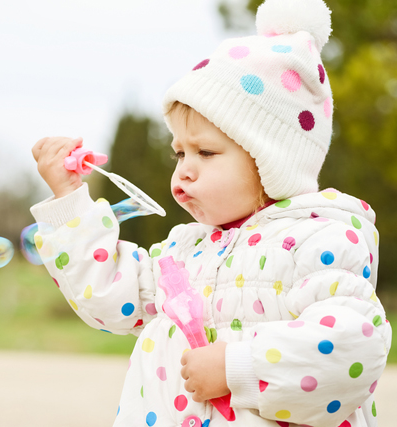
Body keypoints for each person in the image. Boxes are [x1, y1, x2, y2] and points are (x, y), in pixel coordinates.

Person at [29, 0, 391, 425]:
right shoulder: (184, 251)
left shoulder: (320, 241)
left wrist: (238, 368)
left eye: (205, 151)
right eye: (179, 152)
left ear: (270, 161)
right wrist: (70, 199)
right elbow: (110, 294)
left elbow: (352, 347)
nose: (185, 169)